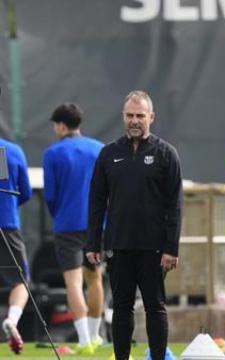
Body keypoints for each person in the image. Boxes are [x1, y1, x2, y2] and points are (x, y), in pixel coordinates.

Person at [87, 91, 183, 360]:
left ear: (151, 117)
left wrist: (171, 248)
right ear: (123, 117)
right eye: (130, 115)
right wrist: (93, 243)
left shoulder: (166, 154)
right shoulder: (108, 154)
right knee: (121, 308)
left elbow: (175, 205)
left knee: (155, 307)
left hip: (154, 248)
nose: (134, 120)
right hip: (119, 244)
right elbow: (96, 202)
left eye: (140, 115)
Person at [43, 103, 105, 355]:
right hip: (97, 224)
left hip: (67, 224)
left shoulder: (53, 153)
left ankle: (83, 341)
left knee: (73, 282)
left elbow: (51, 195)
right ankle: (95, 335)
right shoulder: (100, 149)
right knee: (95, 278)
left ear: (61, 125)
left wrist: (59, 214)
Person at [0, 137, 32, 355]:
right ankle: (12, 319)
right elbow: (26, 192)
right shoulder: (13, 150)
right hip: (7, 224)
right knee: (20, 282)